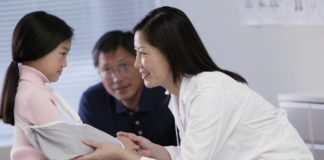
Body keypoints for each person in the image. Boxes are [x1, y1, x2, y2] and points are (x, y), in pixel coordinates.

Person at [74, 6, 314, 160]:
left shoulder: (210, 90)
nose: (138, 64)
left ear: (169, 51)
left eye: (142, 53)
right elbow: (196, 153)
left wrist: (125, 156)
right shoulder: (179, 95)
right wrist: (158, 152)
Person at [78, 30, 177, 146]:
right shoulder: (92, 101)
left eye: (123, 66)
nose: (116, 78)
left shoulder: (166, 91)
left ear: (140, 63)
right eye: (107, 70)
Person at [0, 11, 73, 159]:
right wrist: (117, 148)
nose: (65, 64)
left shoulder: (30, 89)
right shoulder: (34, 96)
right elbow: (68, 152)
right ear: (42, 48)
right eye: (63, 53)